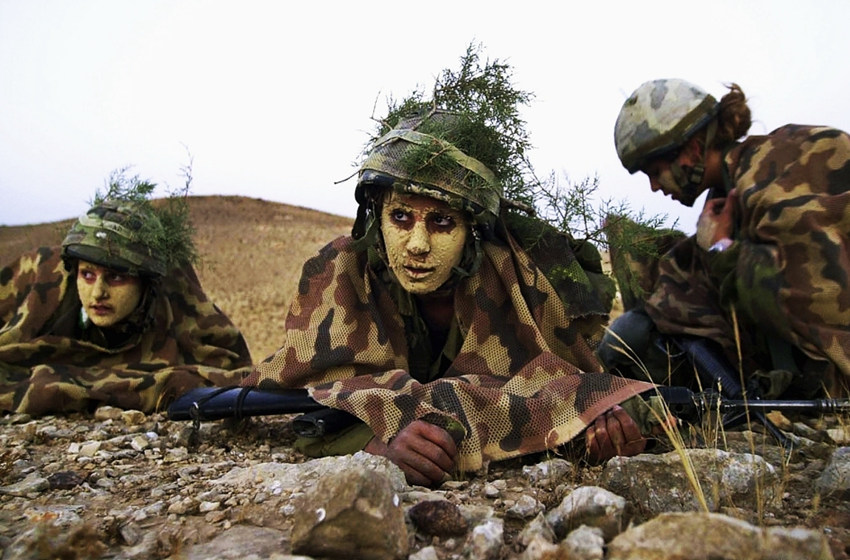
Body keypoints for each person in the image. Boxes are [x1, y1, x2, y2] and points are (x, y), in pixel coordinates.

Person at [244, 109, 663, 486]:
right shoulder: (343, 270)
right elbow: (318, 390)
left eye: (442, 221)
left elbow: (574, 380)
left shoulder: (515, 279)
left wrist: (596, 421)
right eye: (400, 217)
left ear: (472, 230)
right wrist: (375, 442)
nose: (417, 244)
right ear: (376, 215)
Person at [600, 78, 850, 400]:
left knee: (632, 339)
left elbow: (822, 299)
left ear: (691, 148)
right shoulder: (734, 184)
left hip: (831, 373)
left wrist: (721, 248)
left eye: (655, 170)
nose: (654, 187)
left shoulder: (769, 177)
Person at [0, 177, 252, 415]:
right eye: (87, 275)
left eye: (116, 277)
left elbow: (233, 374)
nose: (98, 292)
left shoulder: (183, 317)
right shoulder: (40, 282)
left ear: (147, 284)